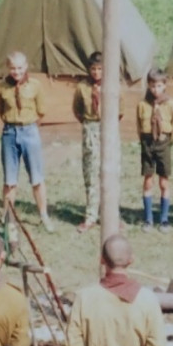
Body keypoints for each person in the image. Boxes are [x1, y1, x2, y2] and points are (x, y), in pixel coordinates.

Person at [0, 51, 54, 231]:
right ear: (8, 68)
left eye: (20, 67)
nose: (16, 71)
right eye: (13, 68)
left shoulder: (35, 86)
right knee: (9, 180)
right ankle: (8, 219)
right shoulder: (1, 88)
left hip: (30, 131)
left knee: (37, 177)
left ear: (26, 66)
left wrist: (29, 125)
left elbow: (41, 110)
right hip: (9, 133)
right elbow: (0, 110)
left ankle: (43, 215)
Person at [136, 69, 173, 231]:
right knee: (148, 180)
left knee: (164, 181)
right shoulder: (142, 104)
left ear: (165, 86)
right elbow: (139, 126)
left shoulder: (170, 104)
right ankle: (148, 218)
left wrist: (168, 141)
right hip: (147, 143)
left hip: (163, 143)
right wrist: (144, 141)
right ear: (148, 85)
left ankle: (164, 218)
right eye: (153, 86)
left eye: (159, 86)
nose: (156, 89)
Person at [74, 52, 105, 232]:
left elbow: (120, 111)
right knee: (91, 173)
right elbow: (77, 109)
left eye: (100, 69)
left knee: (109, 172)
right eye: (93, 69)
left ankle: (109, 215)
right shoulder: (82, 87)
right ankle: (91, 215)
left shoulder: (112, 86)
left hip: (107, 128)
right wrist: (89, 124)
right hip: (90, 128)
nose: (96, 72)